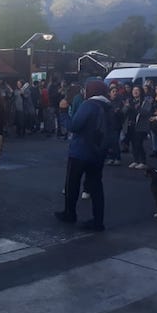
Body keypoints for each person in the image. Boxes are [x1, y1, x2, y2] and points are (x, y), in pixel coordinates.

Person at [55, 79, 112, 231]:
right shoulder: (108, 106)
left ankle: (70, 213)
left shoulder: (89, 105)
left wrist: (63, 112)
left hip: (81, 151)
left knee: (72, 184)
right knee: (96, 187)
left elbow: (74, 125)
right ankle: (98, 221)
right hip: (98, 152)